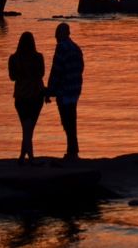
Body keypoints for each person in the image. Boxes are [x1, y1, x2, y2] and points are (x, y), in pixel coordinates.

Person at [46, 22, 84, 159]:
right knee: (71, 120)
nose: (56, 38)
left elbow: (56, 70)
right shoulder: (76, 48)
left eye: (56, 35)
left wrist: (50, 91)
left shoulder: (61, 47)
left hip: (64, 90)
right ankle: (73, 150)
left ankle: (72, 151)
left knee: (67, 121)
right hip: (75, 89)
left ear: (60, 34)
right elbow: (81, 68)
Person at [8, 31, 45, 165]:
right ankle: (29, 156)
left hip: (20, 96)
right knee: (29, 128)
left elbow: (12, 77)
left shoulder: (13, 58)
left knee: (26, 127)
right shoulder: (38, 57)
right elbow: (42, 74)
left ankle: (24, 155)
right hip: (36, 96)